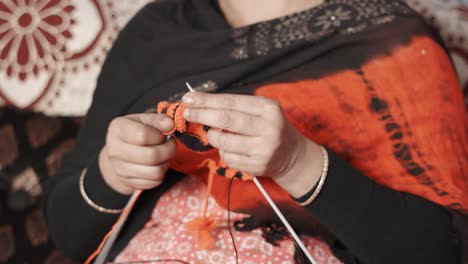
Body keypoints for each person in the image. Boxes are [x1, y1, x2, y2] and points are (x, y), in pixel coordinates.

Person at [44, 0, 468, 263]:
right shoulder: (155, 34)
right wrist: (112, 175)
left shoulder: (393, 40)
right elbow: (70, 237)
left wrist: (298, 163)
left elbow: (442, 252)